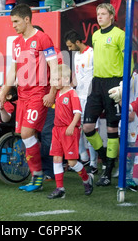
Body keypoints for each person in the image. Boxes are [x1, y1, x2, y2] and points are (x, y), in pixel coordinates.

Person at [0, 4, 58, 192]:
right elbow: (13, 71)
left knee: (26, 134)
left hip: (39, 93)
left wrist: (52, 92)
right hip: (22, 96)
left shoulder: (42, 38)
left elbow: (54, 66)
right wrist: (4, 92)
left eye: (16, 21)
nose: (13, 25)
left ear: (26, 19)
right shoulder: (16, 43)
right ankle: (37, 176)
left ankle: (39, 175)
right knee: (26, 137)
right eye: (12, 22)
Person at [83, 3, 132, 186]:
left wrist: (123, 85)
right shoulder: (95, 36)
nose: (100, 17)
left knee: (112, 129)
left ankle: (108, 171)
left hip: (114, 83)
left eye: (103, 14)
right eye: (98, 14)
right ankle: (106, 159)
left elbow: (129, 61)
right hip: (97, 83)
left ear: (111, 16)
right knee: (87, 126)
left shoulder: (119, 35)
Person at [47, 64, 94, 199]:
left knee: (72, 162)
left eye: (57, 79)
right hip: (57, 130)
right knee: (56, 158)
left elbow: (78, 112)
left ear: (66, 79)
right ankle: (60, 188)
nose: (54, 82)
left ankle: (86, 179)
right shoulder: (57, 93)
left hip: (69, 130)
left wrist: (72, 126)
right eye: (53, 79)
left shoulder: (72, 93)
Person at [64, 30, 98, 173]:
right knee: (76, 128)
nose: (69, 49)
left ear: (78, 42)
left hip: (90, 98)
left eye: (71, 46)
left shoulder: (93, 53)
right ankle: (83, 158)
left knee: (89, 130)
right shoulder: (77, 55)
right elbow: (77, 76)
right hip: (78, 97)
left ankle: (94, 164)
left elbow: (96, 75)